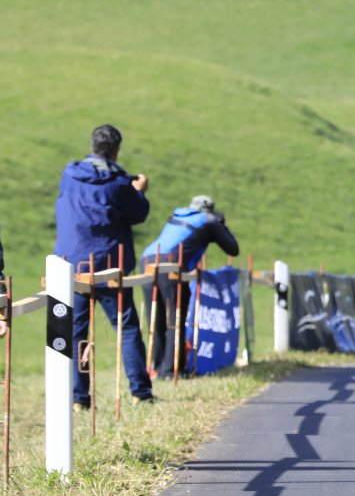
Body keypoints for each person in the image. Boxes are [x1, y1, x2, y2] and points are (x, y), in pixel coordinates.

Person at [53, 124, 155, 407]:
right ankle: (140, 393)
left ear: (93, 145)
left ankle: (79, 398)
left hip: (73, 265)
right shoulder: (119, 183)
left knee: (76, 332)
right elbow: (138, 214)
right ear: (116, 150)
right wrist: (140, 191)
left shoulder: (69, 175)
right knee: (127, 327)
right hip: (109, 265)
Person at [141, 195, 240, 379]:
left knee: (156, 318)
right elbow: (233, 249)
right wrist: (222, 226)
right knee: (175, 319)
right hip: (169, 264)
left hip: (147, 259)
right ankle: (171, 371)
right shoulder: (208, 220)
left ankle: (157, 367)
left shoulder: (178, 216)